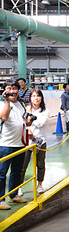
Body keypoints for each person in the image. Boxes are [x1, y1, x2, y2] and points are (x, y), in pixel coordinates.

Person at [0, 81, 28, 209]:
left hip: (20, 144)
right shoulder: (2, 104)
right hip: (5, 144)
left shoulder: (21, 104)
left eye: (15, 88)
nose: (13, 91)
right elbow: (4, 117)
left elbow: (24, 120)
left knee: (17, 172)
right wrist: (7, 101)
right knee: (1, 173)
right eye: (9, 88)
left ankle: (14, 194)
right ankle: (1, 199)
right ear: (5, 91)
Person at [20, 89, 50, 194]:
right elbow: (22, 123)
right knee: (23, 165)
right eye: (33, 96)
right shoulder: (25, 109)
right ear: (30, 98)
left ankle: (40, 185)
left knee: (40, 164)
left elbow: (40, 123)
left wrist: (30, 116)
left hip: (40, 140)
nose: (36, 98)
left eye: (38, 96)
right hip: (27, 141)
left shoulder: (45, 111)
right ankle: (19, 187)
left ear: (41, 97)